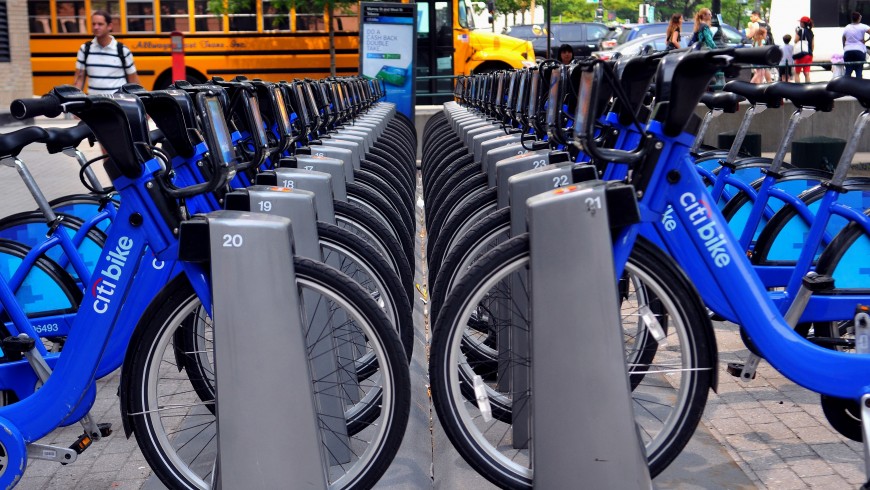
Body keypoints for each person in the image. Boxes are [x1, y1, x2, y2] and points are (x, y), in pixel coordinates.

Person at [73, 11, 140, 94]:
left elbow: (133, 81)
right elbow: (79, 79)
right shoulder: (85, 49)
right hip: (94, 103)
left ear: (110, 26)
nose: (96, 27)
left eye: (100, 24)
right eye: (93, 24)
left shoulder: (122, 50)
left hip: (118, 103)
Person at [842, 11, 870, 79]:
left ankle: (845, 87)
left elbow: (843, 38)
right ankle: (858, 88)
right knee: (859, 71)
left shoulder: (847, 27)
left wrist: (844, 47)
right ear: (859, 18)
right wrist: (865, 41)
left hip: (848, 51)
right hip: (859, 50)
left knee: (848, 71)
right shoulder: (863, 26)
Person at [794, 16, 814, 83]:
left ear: (803, 23)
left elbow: (795, 40)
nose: (799, 23)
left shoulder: (800, 31)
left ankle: (797, 88)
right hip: (809, 54)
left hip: (801, 54)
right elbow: (813, 45)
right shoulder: (811, 32)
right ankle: (808, 87)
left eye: (800, 22)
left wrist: (796, 33)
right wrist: (811, 52)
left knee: (797, 73)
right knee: (807, 73)